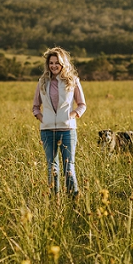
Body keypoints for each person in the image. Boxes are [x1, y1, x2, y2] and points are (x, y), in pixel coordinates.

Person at [32, 47, 87, 197]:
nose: (54, 66)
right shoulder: (42, 81)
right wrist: (43, 119)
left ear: (63, 63)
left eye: (57, 62)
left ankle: (73, 200)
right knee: (52, 168)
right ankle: (54, 201)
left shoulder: (72, 81)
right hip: (47, 131)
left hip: (68, 130)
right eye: (51, 63)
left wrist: (73, 115)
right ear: (48, 64)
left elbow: (82, 104)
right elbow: (35, 107)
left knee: (69, 167)